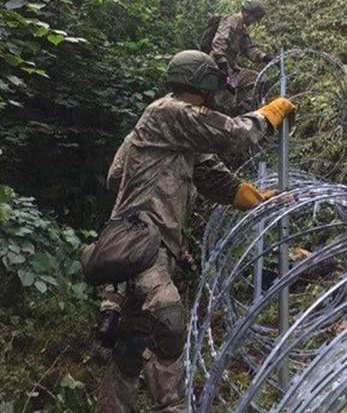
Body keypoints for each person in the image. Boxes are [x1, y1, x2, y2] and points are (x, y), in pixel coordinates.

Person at [95, 50, 295, 412]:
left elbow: (210, 176)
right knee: (168, 323)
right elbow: (233, 134)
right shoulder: (168, 112)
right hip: (142, 242)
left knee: (131, 337)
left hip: (145, 243)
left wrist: (251, 196)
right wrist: (268, 115)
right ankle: (172, 406)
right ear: (202, 83)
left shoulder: (168, 128)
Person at [208, 0, 275, 116]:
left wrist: (266, 58)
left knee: (259, 80)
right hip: (217, 68)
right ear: (248, 14)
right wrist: (223, 66)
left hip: (231, 69)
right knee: (224, 103)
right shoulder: (231, 20)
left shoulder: (242, 28)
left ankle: (245, 113)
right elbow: (219, 42)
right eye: (255, 18)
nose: (254, 22)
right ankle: (229, 122)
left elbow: (249, 49)